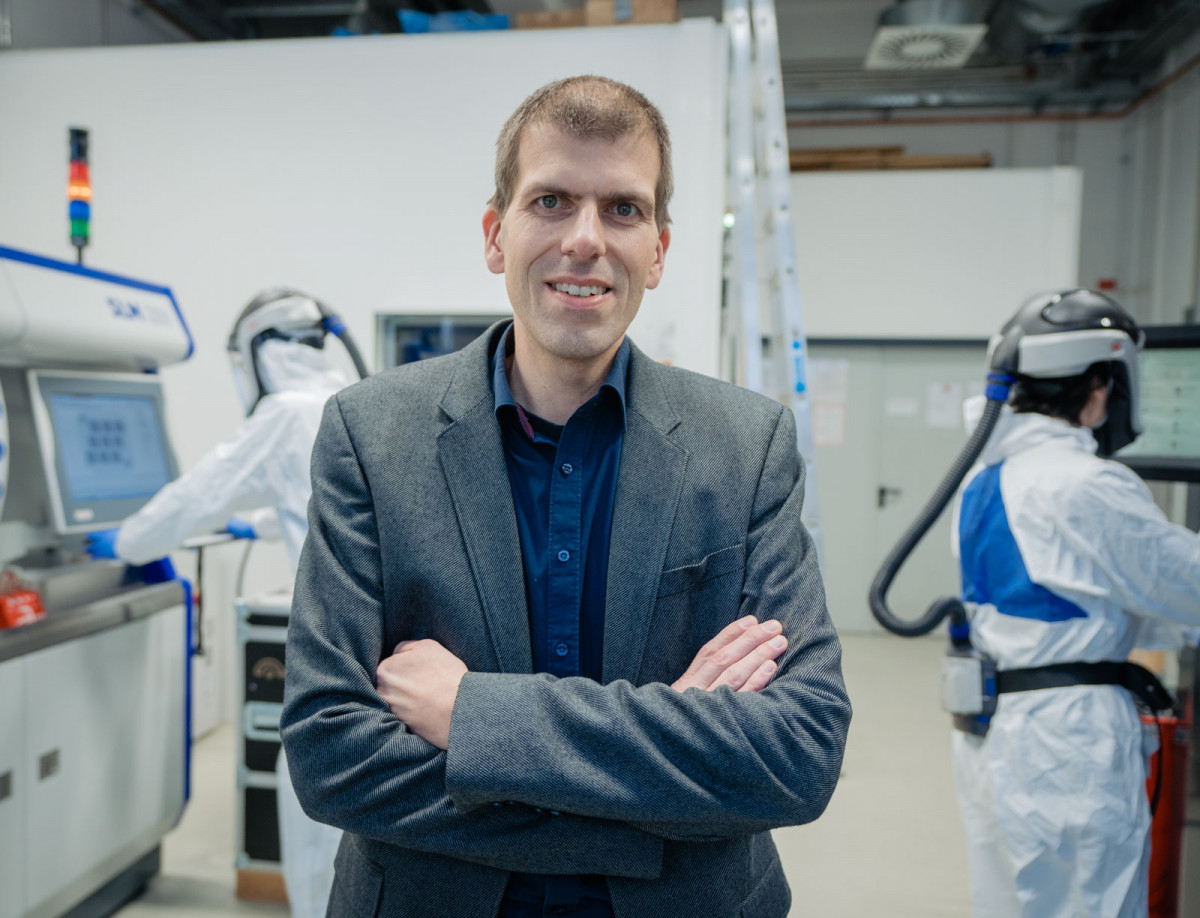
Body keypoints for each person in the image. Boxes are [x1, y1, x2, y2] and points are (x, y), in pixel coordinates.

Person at [280, 75, 850, 918]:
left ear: (658, 249)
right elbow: (332, 755)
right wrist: (651, 797)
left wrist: (474, 715)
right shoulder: (372, 437)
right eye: (551, 201)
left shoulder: (746, 447)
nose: (585, 240)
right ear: (494, 232)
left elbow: (798, 754)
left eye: (621, 209)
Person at [88, 288, 354, 918]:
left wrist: (125, 541)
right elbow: (329, 503)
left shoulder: (286, 411)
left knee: (316, 831)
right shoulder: (346, 401)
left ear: (260, 352)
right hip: (383, 652)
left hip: (338, 663)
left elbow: (192, 497)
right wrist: (260, 525)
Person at [950, 290, 1200, 918]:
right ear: (1097, 385)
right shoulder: (1084, 483)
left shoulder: (987, 477)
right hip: (1069, 746)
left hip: (998, 732)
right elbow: (1185, 581)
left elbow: (1073, 587)